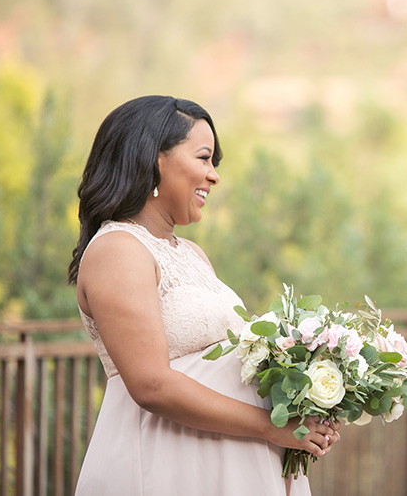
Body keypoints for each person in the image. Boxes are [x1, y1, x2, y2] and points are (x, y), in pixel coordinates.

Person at [68, 96, 339, 495]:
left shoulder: (192, 254)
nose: (214, 176)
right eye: (204, 158)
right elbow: (151, 385)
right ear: (155, 159)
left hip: (230, 460)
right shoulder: (118, 249)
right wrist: (271, 427)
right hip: (168, 461)